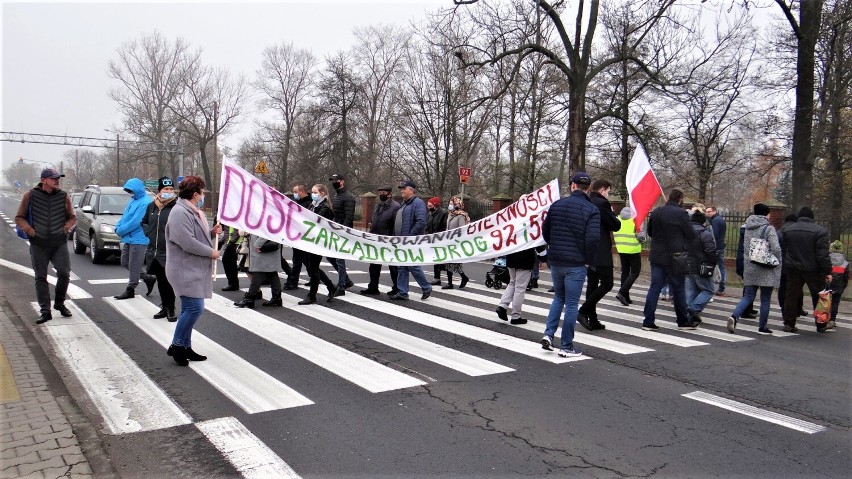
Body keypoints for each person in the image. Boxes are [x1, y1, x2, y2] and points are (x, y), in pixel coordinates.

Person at [540, 172, 600, 358]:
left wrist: (554, 248)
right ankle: (566, 346)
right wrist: (587, 258)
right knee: (572, 304)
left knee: (558, 298)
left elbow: (546, 231)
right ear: (588, 188)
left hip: (556, 260)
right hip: (576, 263)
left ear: (572, 185)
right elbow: (593, 239)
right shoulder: (592, 210)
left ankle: (548, 335)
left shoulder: (556, 205)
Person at [164, 176, 221, 366]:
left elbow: (197, 236)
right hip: (183, 268)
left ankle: (185, 346)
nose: (204, 195)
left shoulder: (193, 211)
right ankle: (177, 345)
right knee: (195, 308)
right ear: (195, 194)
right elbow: (187, 242)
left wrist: (212, 233)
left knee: (190, 308)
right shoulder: (180, 212)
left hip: (191, 267)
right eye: (203, 192)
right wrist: (211, 252)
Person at [15, 168, 76, 324]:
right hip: (38, 244)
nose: (57, 181)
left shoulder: (64, 196)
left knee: (64, 273)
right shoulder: (30, 195)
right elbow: (19, 217)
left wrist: (65, 229)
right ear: (44, 180)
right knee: (40, 277)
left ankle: (59, 303)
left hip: (58, 243)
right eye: (54, 178)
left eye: (58, 178)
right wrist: (30, 231)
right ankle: (45, 311)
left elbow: (72, 217)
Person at [642, 188, 698, 331]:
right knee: (678, 289)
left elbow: (650, 232)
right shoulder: (681, 214)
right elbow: (691, 234)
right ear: (680, 199)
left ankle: (648, 320)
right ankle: (682, 321)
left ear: (668, 197)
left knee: (655, 287)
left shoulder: (656, 212)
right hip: (676, 257)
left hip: (657, 255)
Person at [727, 203, 782, 335]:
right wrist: (777, 259)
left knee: (748, 296)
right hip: (766, 267)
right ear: (766, 214)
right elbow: (775, 248)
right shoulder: (769, 229)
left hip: (750, 265)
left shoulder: (747, 227)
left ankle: (734, 316)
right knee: (765, 298)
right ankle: (762, 326)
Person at [577, 179, 620, 330]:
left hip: (588, 249)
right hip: (601, 250)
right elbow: (615, 225)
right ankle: (583, 311)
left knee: (593, 284)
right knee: (607, 283)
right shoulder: (602, 203)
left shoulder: (587, 201)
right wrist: (613, 215)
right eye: (608, 191)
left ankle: (592, 318)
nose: (608, 194)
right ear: (602, 190)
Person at [781, 206, 832, 333]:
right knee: (820, 296)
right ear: (812, 217)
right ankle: (821, 324)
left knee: (791, 296)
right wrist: (827, 271)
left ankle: (789, 323)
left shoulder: (788, 230)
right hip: (813, 269)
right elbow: (822, 254)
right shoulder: (820, 231)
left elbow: (786, 249)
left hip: (793, 268)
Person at [141, 177, 177, 321]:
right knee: (161, 280)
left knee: (169, 281)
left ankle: (170, 308)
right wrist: (148, 232)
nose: (168, 191)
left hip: (169, 251)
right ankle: (164, 307)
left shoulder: (176, 207)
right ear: (159, 191)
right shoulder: (152, 206)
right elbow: (144, 222)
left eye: (171, 189)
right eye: (165, 189)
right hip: (154, 251)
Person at [390, 180, 433, 301]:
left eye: (404, 188)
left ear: (412, 190)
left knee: (412, 265)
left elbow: (421, 222)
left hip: (411, 241)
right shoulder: (405, 203)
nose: (402, 191)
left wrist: (410, 236)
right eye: (401, 189)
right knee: (402, 266)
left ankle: (426, 287)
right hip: (401, 241)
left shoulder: (417, 203)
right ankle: (402, 292)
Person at [113, 178, 153, 300]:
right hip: (129, 237)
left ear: (137, 189)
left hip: (139, 238)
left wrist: (120, 230)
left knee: (134, 265)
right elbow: (125, 216)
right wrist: (118, 226)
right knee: (125, 262)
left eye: (131, 190)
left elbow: (136, 222)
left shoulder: (145, 202)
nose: (129, 193)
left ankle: (131, 289)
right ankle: (148, 278)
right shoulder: (133, 200)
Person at [299, 184, 338, 305]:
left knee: (313, 268)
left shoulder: (324, 207)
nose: (313, 194)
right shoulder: (314, 205)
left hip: (318, 241)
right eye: (312, 192)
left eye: (315, 192)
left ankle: (312, 296)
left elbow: (315, 221)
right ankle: (331, 287)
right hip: (310, 240)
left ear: (322, 194)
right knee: (312, 267)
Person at [361, 186, 401, 296]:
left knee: (393, 266)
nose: (380, 194)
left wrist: (393, 239)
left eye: (383, 192)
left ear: (389, 194)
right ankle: (373, 287)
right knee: (374, 265)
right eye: (379, 192)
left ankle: (397, 287)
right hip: (376, 239)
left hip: (388, 240)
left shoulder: (395, 207)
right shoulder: (378, 206)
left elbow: (396, 225)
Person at [496, 246, 546, 325]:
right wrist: (544, 259)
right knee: (520, 288)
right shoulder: (530, 232)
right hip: (525, 259)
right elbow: (537, 243)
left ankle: (502, 305)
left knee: (512, 283)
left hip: (511, 256)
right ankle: (515, 316)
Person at [684, 210, 717, 323]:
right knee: (708, 290)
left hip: (687, 264)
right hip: (702, 265)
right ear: (703, 222)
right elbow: (711, 251)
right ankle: (693, 309)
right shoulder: (705, 234)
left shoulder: (685, 233)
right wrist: (713, 262)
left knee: (692, 291)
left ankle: (688, 317)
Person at [234, 235, 283, 308]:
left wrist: (258, 244)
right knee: (272, 273)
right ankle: (276, 298)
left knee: (258, 273)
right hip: (266, 248)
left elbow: (267, 231)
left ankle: (249, 298)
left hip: (262, 247)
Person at [328, 174, 355, 296]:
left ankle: (342, 286)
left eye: (336, 180)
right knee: (330, 256)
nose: (334, 182)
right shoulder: (336, 195)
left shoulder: (348, 197)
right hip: (336, 229)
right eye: (332, 180)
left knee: (339, 259)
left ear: (342, 181)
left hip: (343, 231)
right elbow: (336, 214)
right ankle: (347, 280)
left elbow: (349, 217)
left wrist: (342, 231)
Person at [284, 184, 313, 290]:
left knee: (298, 260)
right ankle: (313, 278)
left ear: (302, 191)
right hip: (297, 234)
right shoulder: (298, 203)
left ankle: (293, 281)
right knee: (303, 259)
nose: (294, 194)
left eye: (295, 192)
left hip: (303, 235)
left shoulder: (308, 204)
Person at [614, 207, 644, 306]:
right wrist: (642, 240)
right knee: (635, 272)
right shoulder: (635, 220)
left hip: (621, 248)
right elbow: (641, 237)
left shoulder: (617, 218)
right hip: (633, 249)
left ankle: (625, 296)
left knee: (625, 272)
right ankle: (622, 292)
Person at [777, 213, 805, 316]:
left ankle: (783, 307)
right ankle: (798, 308)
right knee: (797, 288)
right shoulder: (795, 233)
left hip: (781, 264)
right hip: (795, 264)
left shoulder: (779, 233)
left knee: (783, 287)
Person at [442, 195, 471, 289]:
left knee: (455, 263)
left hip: (456, 242)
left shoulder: (461, 216)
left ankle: (463, 277)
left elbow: (462, 230)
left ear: (457, 205)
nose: (450, 205)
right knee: (448, 262)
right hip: (448, 241)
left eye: (452, 204)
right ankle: (450, 283)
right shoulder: (450, 214)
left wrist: (456, 239)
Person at [426, 196, 449, 286]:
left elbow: (444, 226)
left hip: (440, 239)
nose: (428, 207)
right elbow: (427, 225)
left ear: (435, 205)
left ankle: (461, 277)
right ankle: (437, 277)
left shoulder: (443, 213)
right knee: (435, 258)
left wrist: (437, 235)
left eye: (430, 205)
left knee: (443, 260)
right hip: (432, 239)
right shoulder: (430, 214)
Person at [706, 206, 727, 296]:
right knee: (721, 267)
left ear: (714, 211)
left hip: (716, 248)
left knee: (712, 267)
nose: (707, 214)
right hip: (721, 246)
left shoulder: (715, 221)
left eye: (709, 212)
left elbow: (714, 235)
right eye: (706, 212)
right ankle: (722, 288)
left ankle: (715, 287)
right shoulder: (720, 219)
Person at [828, 240, 848, 330]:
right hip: (838, 285)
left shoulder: (827, 259)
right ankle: (832, 320)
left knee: (825, 302)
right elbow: (846, 277)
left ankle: (824, 318)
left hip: (827, 283)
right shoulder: (845, 263)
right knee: (835, 303)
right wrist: (843, 286)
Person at [220, 226, 242, 291]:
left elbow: (237, 231)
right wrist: (221, 241)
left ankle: (233, 284)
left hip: (235, 243)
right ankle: (233, 283)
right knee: (230, 262)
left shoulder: (234, 216)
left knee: (228, 261)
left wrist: (231, 243)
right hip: (233, 242)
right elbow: (228, 232)